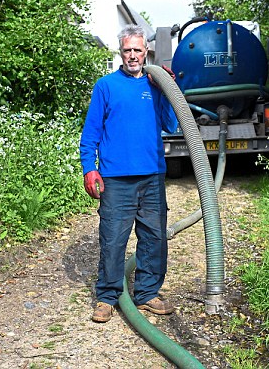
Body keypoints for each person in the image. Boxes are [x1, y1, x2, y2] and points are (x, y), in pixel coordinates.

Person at [79, 24, 178, 323]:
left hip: (152, 175)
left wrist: (167, 90)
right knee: (112, 238)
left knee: (154, 236)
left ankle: (146, 293)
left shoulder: (154, 84)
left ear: (145, 50)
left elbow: (172, 125)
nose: (132, 55)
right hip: (116, 179)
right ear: (120, 52)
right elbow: (90, 133)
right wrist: (89, 168)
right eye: (127, 50)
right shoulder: (106, 86)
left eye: (137, 49)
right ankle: (107, 297)